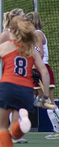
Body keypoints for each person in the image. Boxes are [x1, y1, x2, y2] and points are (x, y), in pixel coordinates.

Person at [0, 16, 50, 147]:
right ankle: (22, 121)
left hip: (6, 87)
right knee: (14, 132)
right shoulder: (31, 49)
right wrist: (45, 96)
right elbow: (44, 72)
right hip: (26, 90)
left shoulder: (3, 47)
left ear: (11, 30)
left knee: (2, 128)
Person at [0, 8, 29, 144]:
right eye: (23, 15)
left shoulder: (22, 34)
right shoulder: (5, 35)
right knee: (10, 104)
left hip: (19, 74)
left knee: (18, 104)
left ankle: (13, 132)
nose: (25, 17)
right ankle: (7, 131)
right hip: (7, 75)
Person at [25, 11, 59, 139]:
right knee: (42, 101)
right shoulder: (35, 35)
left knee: (48, 101)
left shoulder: (37, 35)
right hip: (38, 68)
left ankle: (57, 129)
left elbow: (39, 54)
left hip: (40, 69)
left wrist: (33, 68)